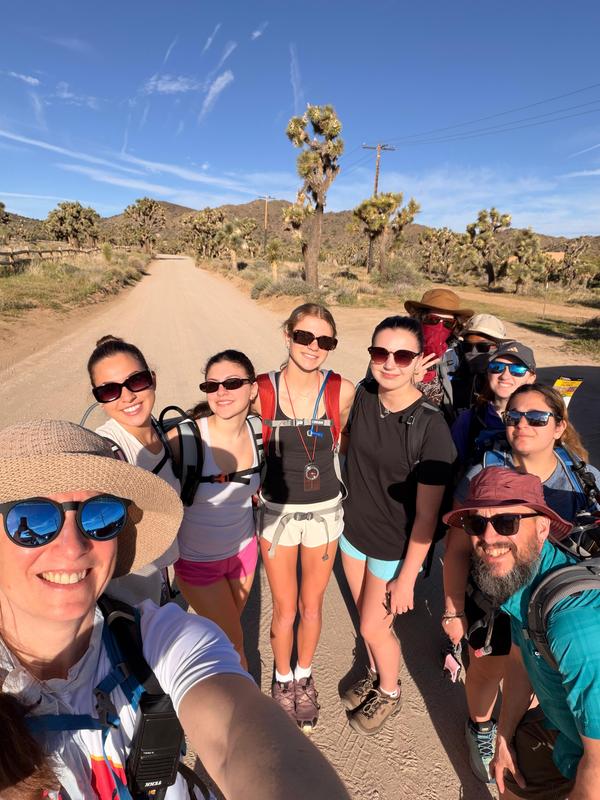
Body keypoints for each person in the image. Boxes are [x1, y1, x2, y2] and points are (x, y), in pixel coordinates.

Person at [0, 419, 350, 800]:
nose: (73, 547)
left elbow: (236, 733)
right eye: (31, 519)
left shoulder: (165, 640)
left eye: (100, 514)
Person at [443, 383, 600, 784]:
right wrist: (453, 609)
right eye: (513, 417)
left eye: (536, 417)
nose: (522, 425)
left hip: (553, 595)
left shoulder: (583, 478)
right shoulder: (484, 473)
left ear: (559, 426)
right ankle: (484, 728)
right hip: (500, 592)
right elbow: (459, 547)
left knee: (543, 668)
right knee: (490, 666)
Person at [340, 315, 456, 735]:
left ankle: (389, 690)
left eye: (401, 354)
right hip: (353, 533)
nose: (389, 363)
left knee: (374, 624)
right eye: (379, 352)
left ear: (418, 361)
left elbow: (427, 516)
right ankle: (373, 669)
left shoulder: (430, 426)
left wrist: (407, 577)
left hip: (392, 545)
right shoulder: (365, 395)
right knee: (365, 617)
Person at [253, 303, 355, 729]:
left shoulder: (341, 391)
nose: (313, 347)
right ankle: (281, 680)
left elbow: (348, 444)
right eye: (304, 337)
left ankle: (303, 678)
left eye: (324, 341)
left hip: (325, 513)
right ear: (287, 335)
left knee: (313, 606)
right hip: (276, 513)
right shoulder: (262, 390)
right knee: (285, 607)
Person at [173, 350, 262, 670]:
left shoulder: (258, 432)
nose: (221, 392)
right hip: (197, 562)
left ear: (253, 389)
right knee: (233, 640)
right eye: (212, 386)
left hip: (245, 553)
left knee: (222, 634)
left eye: (232, 383)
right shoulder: (186, 439)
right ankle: (244, 709)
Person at [89, 335, 180, 605]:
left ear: (152, 378)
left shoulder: (161, 432)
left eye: (136, 381)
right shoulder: (105, 452)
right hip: (127, 598)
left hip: (158, 582)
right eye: (109, 390)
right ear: (99, 398)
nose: (127, 396)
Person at [451, 341, 536, 469]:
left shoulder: (542, 419)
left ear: (531, 378)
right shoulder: (469, 420)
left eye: (517, 369)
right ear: (488, 373)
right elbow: (455, 469)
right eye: (497, 367)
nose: (505, 375)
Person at [404, 288, 474, 422]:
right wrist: (407, 381)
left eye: (448, 323)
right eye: (432, 320)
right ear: (420, 318)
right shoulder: (397, 351)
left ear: (455, 326)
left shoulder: (457, 354)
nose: (439, 327)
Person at [451, 313, 507, 413]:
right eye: (467, 346)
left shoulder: (507, 382)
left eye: (483, 347)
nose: (473, 352)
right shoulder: (454, 372)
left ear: (499, 347)